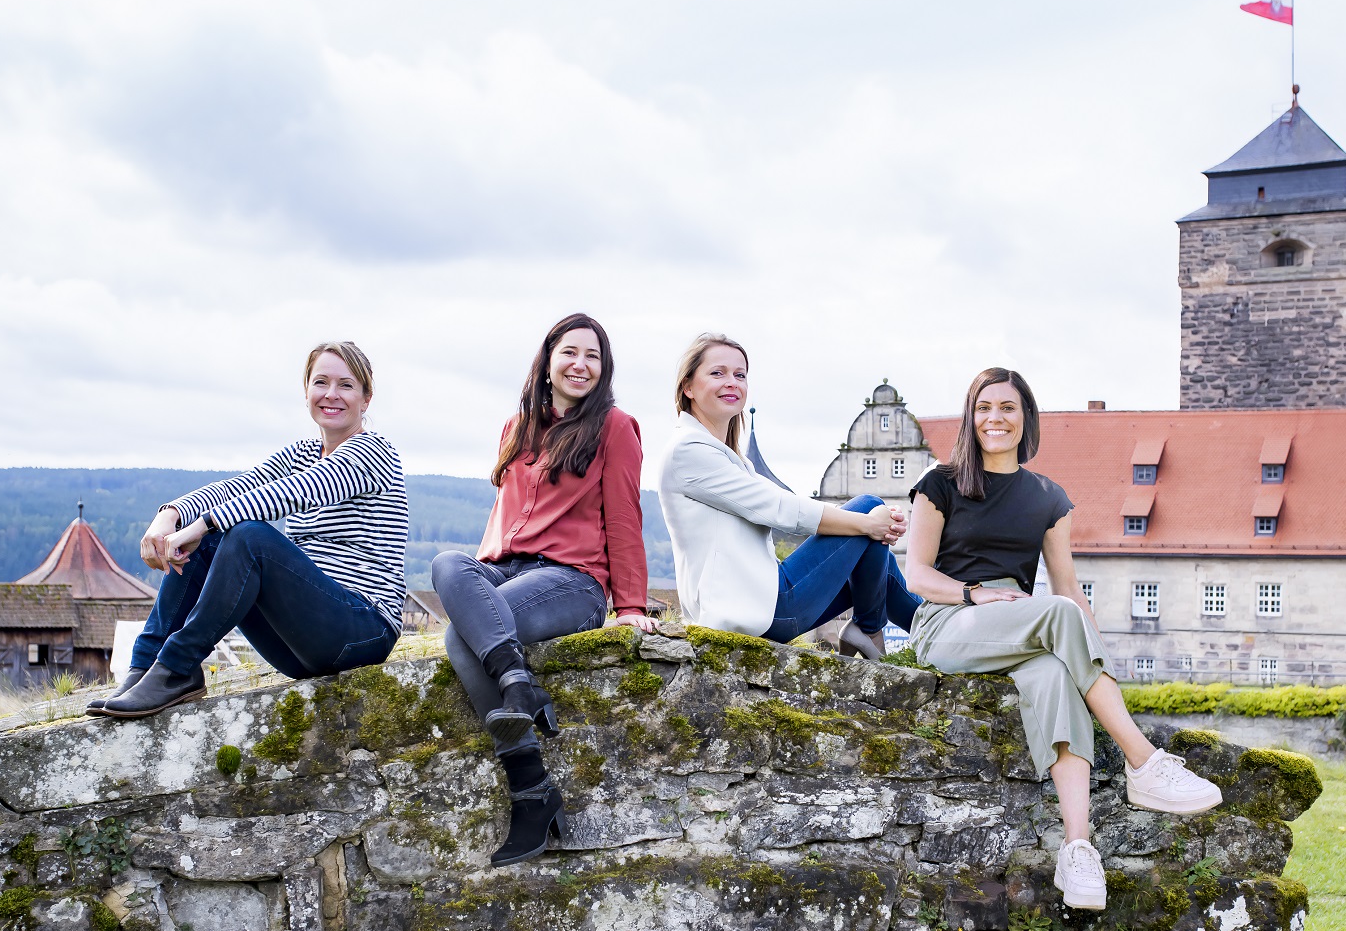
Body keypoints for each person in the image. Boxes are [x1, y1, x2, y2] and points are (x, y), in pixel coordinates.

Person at [903, 367, 1222, 910]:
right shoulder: (941, 483)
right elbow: (916, 574)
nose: (994, 418)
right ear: (970, 417)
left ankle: (1077, 850)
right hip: (951, 618)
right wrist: (974, 594)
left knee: (1056, 675)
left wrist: (1093, 665)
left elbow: (1069, 590)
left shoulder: (1049, 499)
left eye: (1007, 407)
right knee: (1053, 615)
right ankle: (1143, 762)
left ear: (1025, 417)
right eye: (984, 407)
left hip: (1027, 623)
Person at [431, 313, 656, 868]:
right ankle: (518, 685)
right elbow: (503, 515)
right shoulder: (517, 428)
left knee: (463, 642)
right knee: (445, 562)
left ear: (604, 371)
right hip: (503, 568)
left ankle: (529, 788)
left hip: (570, 581)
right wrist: (474, 587)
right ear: (548, 360)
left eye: (593, 357)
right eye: (570, 353)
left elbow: (625, 517)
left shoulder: (615, 426)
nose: (581, 365)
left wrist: (628, 605)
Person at [99, 341, 408, 719]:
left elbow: (293, 491)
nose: (331, 394)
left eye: (345, 385)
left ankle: (177, 666)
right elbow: (243, 486)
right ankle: (146, 667)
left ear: (366, 398)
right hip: (300, 645)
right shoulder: (302, 452)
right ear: (306, 391)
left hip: (362, 629)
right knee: (213, 540)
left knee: (248, 537)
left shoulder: (373, 452)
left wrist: (203, 524)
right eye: (321, 382)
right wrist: (171, 516)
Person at [660, 333, 918, 654]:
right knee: (869, 507)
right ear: (688, 387)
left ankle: (926, 630)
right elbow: (778, 508)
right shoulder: (689, 450)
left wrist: (871, 527)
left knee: (876, 558)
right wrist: (867, 523)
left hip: (767, 601)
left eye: (740, 375)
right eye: (718, 373)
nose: (732, 382)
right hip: (759, 611)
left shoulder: (729, 457)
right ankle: (878, 630)